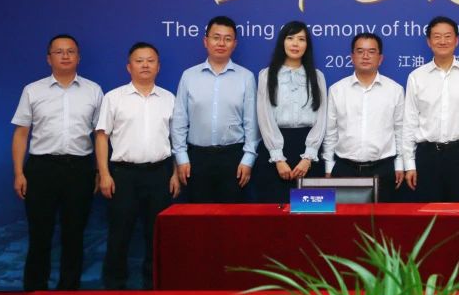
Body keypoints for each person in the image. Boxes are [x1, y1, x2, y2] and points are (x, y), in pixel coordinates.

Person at [11, 34, 103, 291]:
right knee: (40, 233)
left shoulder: (93, 90)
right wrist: (18, 172)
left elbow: (100, 134)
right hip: (42, 169)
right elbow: (21, 134)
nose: (65, 56)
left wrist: (99, 171)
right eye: (59, 51)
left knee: (74, 234)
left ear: (78, 57)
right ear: (48, 58)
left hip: (79, 169)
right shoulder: (33, 90)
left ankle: (68, 292)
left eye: (70, 51)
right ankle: (35, 291)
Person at [95, 42, 179, 289]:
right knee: (119, 233)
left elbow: (177, 139)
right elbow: (101, 136)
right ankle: (114, 286)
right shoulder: (114, 98)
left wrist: (175, 173)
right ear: (128, 66)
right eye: (139, 61)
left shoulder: (169, 98)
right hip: (123, 175)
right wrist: (104, 174)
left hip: (159, 173)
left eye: (150, 61)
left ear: (158, 66)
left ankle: (155, 286)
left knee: (157, 234)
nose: (145, 65)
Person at [172, 16, 258, 203]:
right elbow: (179, 120)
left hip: (233, 158)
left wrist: (248, 159)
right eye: (216, 37)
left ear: (234, 44)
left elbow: (251, 123)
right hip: (196, 159)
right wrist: (181, 157)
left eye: (227, 39)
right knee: (198, 216)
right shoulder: (189, 76)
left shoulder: (246, 77)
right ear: (206, 41)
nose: (221, 43)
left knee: (232, 217)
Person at [402, 16, 459, 202]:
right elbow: (409, 123)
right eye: (437, 36)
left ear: (456, 40)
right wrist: (409, 164)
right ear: (429, 41)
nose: (442, 41)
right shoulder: (416, 76)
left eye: (448, 36)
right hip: (427, 156)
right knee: (428, 213)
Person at [323, 33, 404, 201]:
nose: (365, 56)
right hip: (344, 169)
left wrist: (400, 164)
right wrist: (329, 167)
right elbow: (331, 133)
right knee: (344, 218)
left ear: (380, 58)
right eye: (360, 51)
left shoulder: (395, 90)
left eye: (371, 52)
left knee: (384, 218)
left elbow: (400, 131)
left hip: (383, 170)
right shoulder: (337, 90)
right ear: (352, 57)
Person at [256, 21, 326, 203]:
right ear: (282, 42)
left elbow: (322, 119)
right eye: (290, 38)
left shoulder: (317, 76)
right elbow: (265, 117)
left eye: (301, 39)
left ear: (307, 45)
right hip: (274, 151)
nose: (295, 44)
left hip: (310, 152)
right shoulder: (266, 75)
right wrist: (278, 158)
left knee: (312, 213)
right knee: (274, 213)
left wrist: (308, 157)